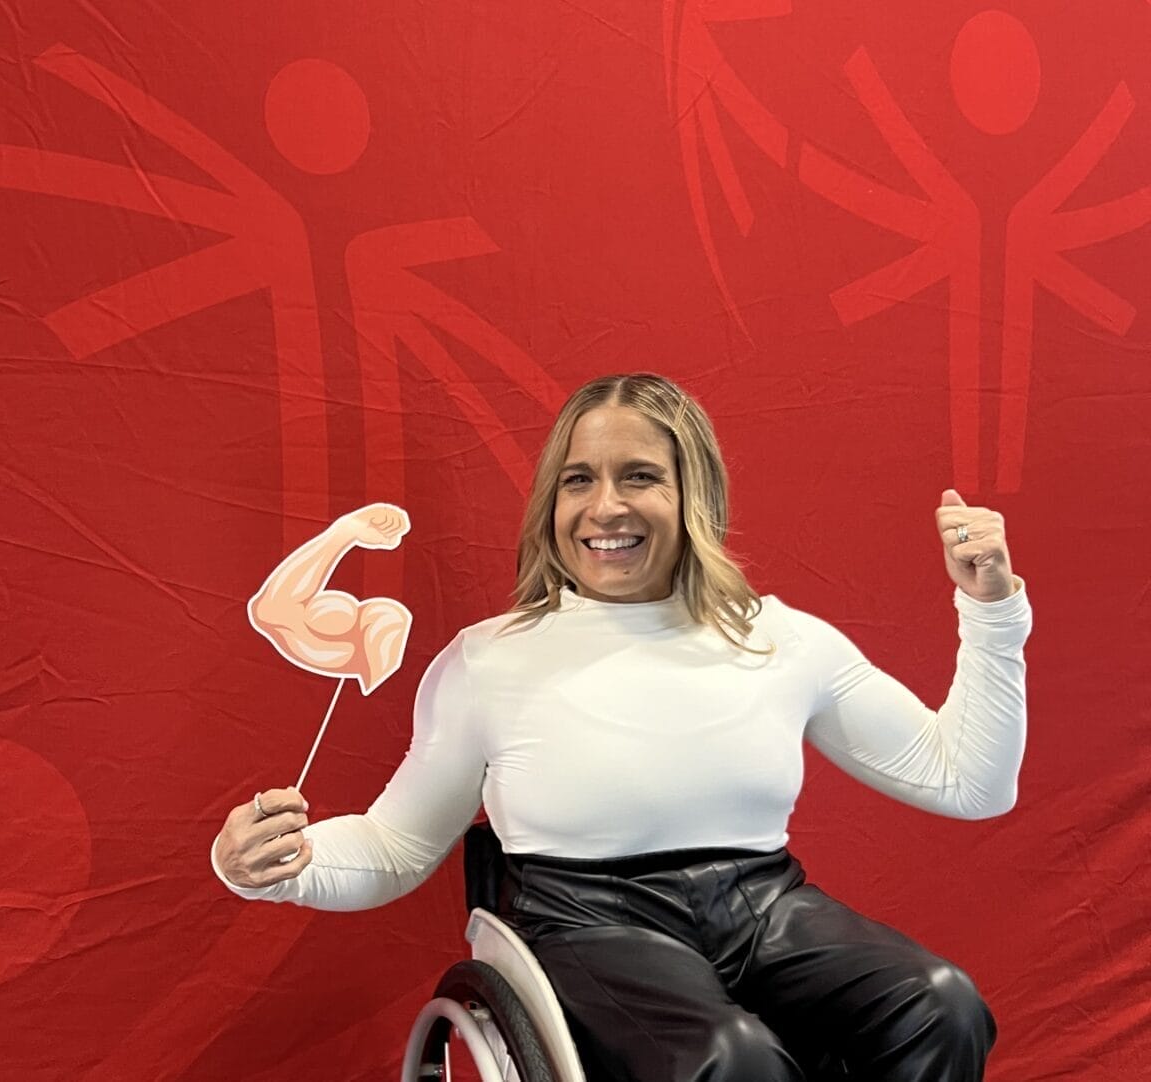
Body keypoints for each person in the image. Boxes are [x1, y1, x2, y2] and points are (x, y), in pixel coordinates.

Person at [212, 372, 1030, 1081]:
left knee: (941, 1007)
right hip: (585, 920)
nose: (605, 507)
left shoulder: (784, 638)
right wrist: (278, 866)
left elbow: (970, 784)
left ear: (692, 494)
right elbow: (395, 849)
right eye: (578, 480)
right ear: (552, 501)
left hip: (764, 906)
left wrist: (990, 609)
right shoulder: (488, 662)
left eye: (639, 476)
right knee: (730, 1060)